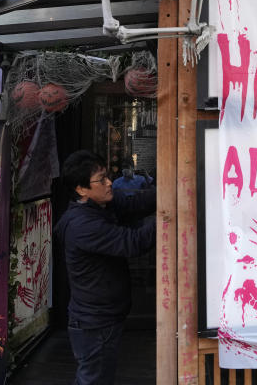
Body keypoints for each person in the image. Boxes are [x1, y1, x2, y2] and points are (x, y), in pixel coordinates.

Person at [55, 150, 155, 385]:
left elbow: (136, 203)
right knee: (93, 379)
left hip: (102, 318)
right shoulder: (82, 224)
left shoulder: (100, 204)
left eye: (107, 176)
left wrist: (172, 191)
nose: (109, 182)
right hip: (94, 324)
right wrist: (169, 217)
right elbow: (132, 243)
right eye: (101, 179)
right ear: (81, 189)